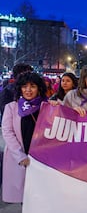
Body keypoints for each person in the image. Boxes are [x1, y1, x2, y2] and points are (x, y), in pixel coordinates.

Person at [2, 72, 47, 203]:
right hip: (22, 158)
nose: (28, 90)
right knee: (24, 197)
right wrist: (20, 156)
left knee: (41, 197)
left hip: (41, 159)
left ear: (39, 88)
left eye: (32, 86)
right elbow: (7, 132)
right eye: (24, 86)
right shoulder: (11, 107)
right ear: (19, 89)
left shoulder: (47, 106)